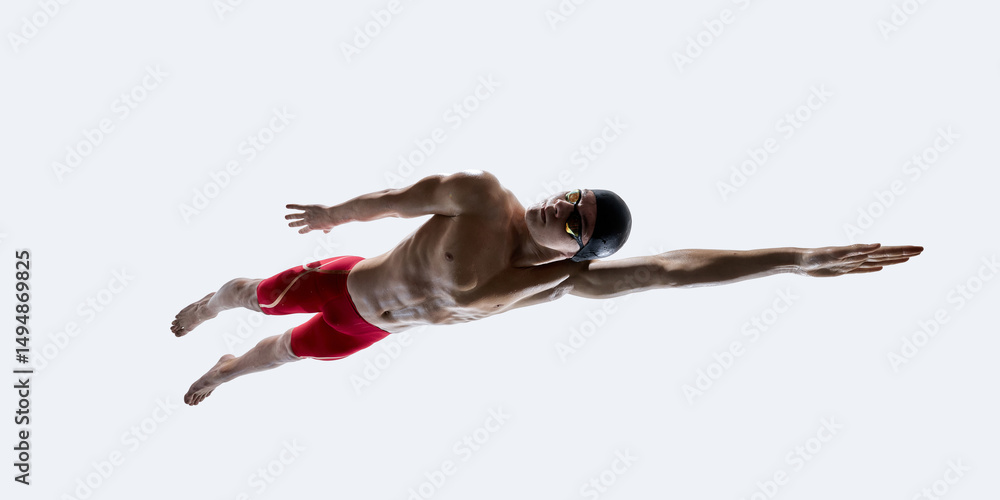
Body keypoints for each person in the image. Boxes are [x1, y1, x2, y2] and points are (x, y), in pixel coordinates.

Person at [172, 170, 922, 405]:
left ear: (579, 247)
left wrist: (793, 259)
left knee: (281, 357)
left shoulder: (559, 282)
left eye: (575, 220)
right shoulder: (480, 195)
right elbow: (401, 200)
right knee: (250, 294)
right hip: (344, 284)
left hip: (369, 330)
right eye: (571, 196)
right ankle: (213, 305)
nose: (561, 208)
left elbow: (672, 269)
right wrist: (337, 213)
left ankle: (225, 369)